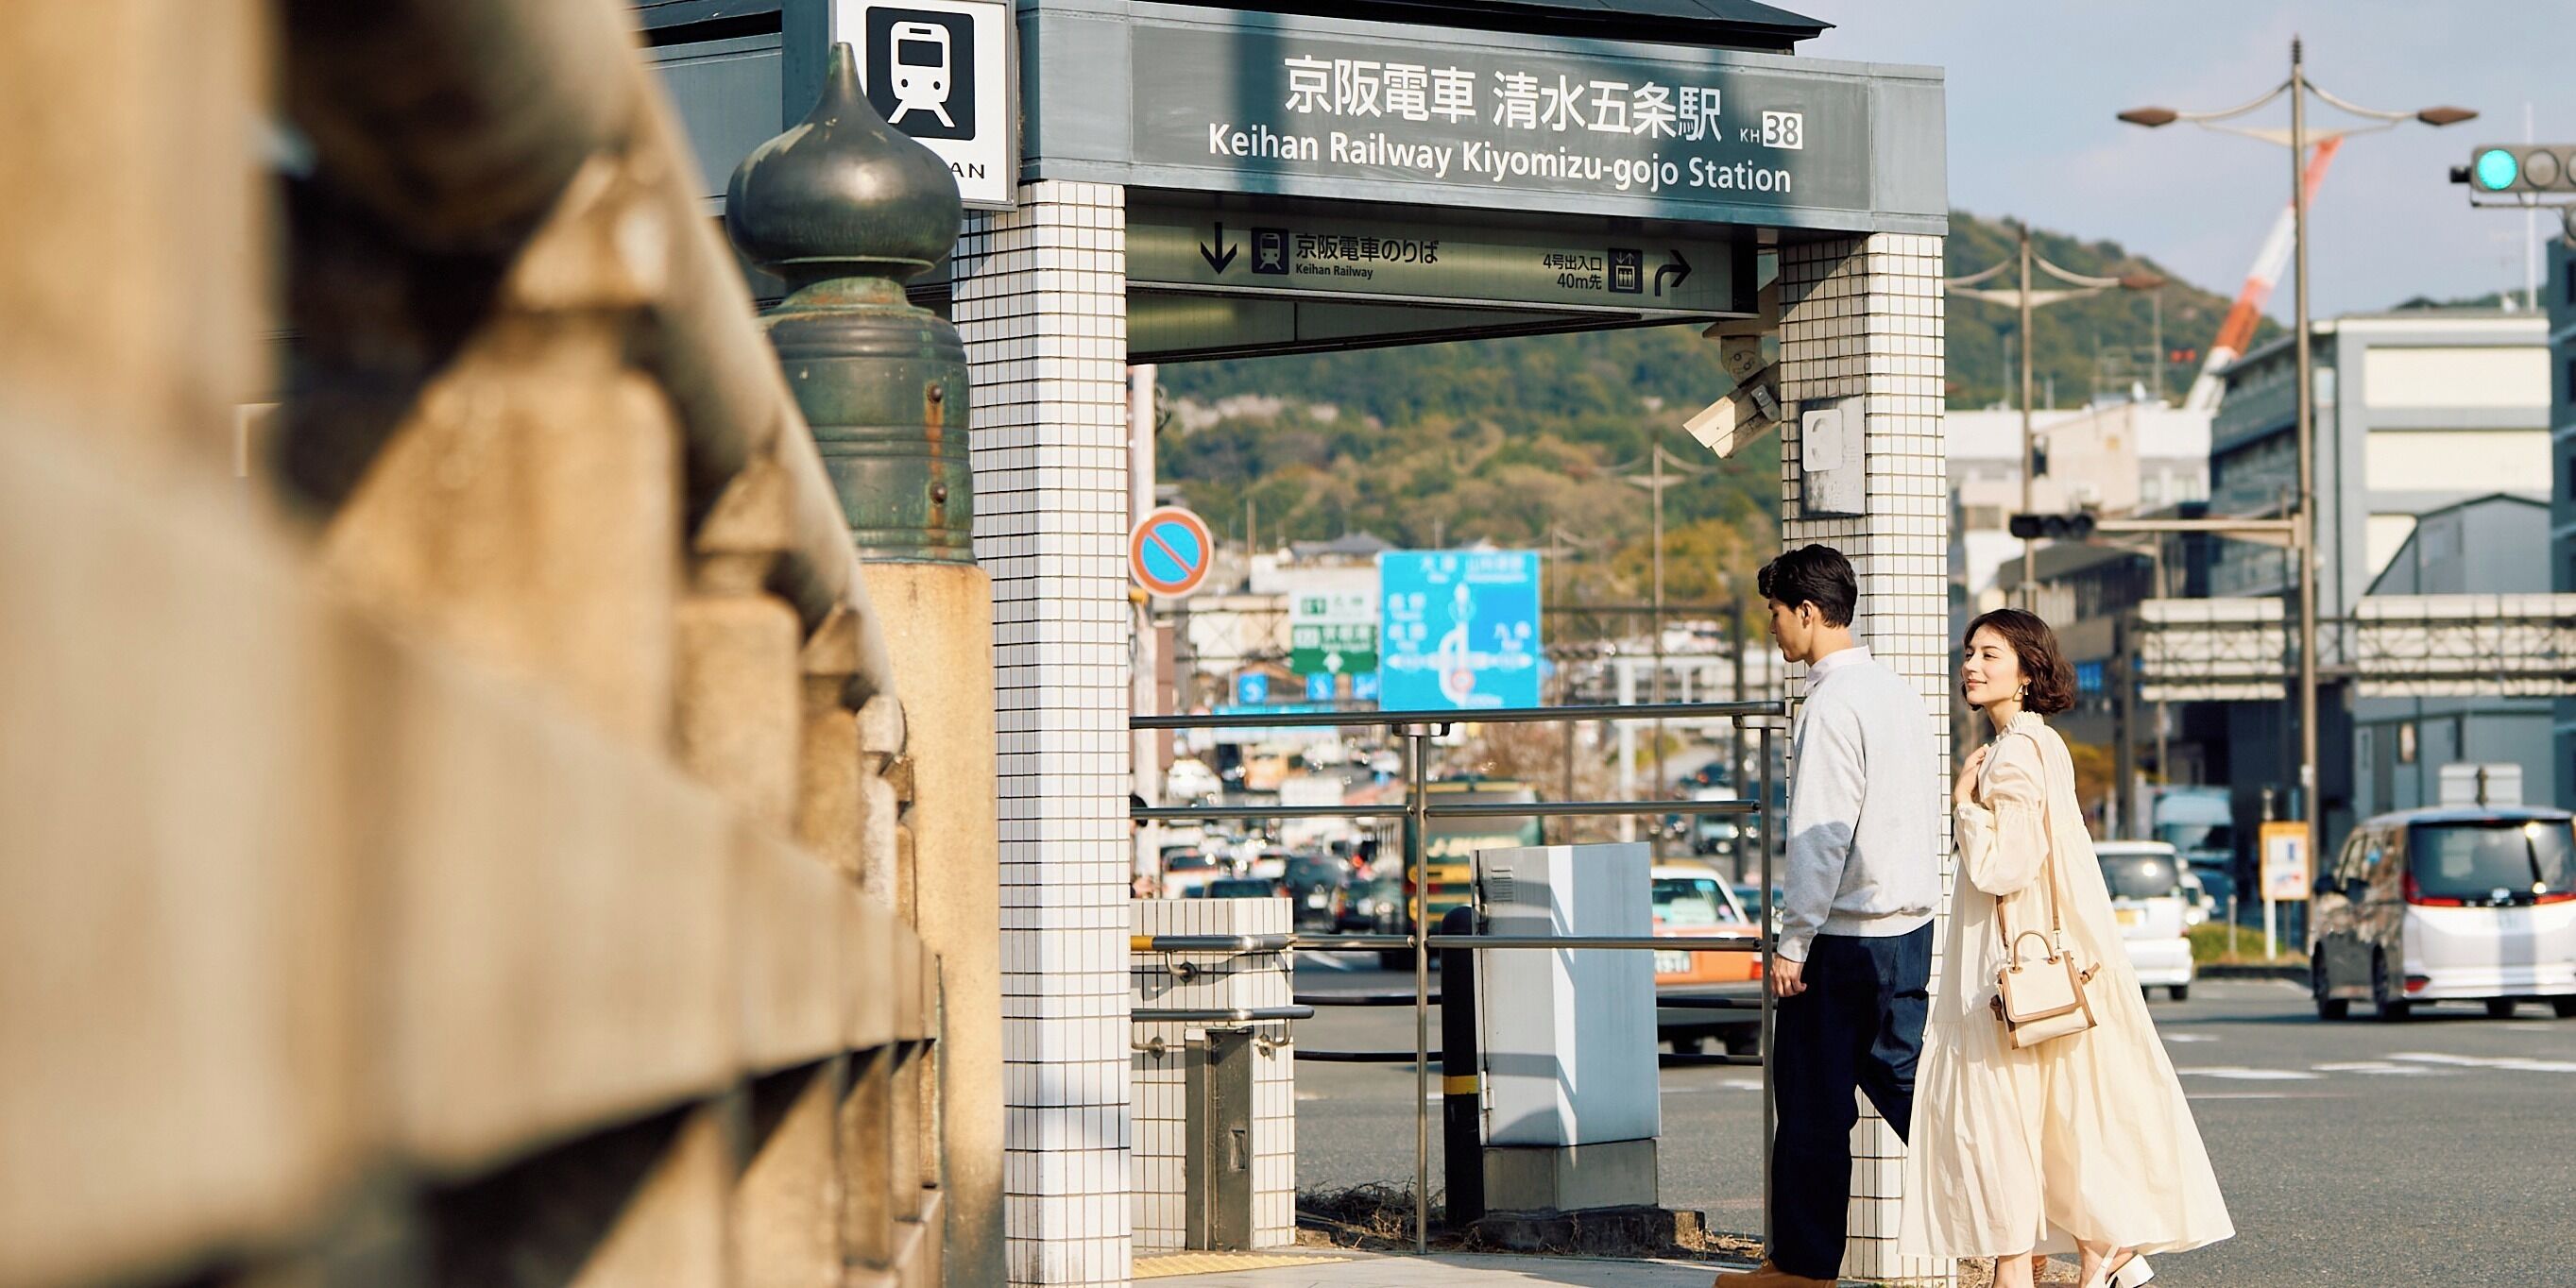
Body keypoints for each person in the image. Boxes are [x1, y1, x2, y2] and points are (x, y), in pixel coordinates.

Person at [1901, 609, 2232, 1288]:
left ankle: (2061, 1256)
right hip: (2047, 966)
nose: (1970, 665)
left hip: (2010, 974)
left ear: (2026, 671)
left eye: (1990, 655)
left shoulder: (2013, 752)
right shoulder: (2040, 741)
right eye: (1968, 652)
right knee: (2053, 1115)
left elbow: (2005, 867)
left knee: (2002, 1122)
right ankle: (2096, 1250)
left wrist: (1964, 803)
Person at [1721, 545, 1940, 1288]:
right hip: (1908, 929)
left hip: (1843, 939)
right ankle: (2021, 1220)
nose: (1775, 631)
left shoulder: (1829, 706)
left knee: (1813, 1111)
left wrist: (1792, 942)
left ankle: (1801, 1269)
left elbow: (1820, 835)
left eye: (1777, 616)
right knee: (1921, 1097)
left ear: (1808, 614)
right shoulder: (1898, 694)